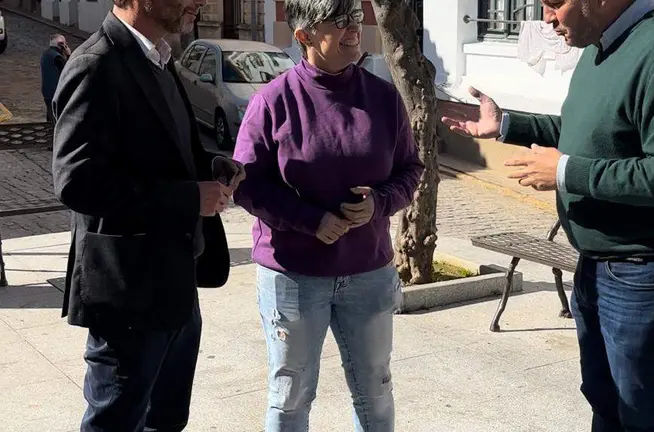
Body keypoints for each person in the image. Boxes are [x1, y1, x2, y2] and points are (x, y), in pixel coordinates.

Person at [442, 0, 654, 430]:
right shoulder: (602, 45)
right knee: (607, 406)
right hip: (605, 266)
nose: (547, 19)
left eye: (555, 3)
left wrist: (563, 171)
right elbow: (588, 133)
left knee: (648, 418)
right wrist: (506, 125)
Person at [51, 0, 244, 430]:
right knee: (116, 423)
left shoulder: (158, 57)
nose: (201, 1)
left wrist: (209, 164)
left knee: (167, 420)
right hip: (127, 298)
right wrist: (187, 199)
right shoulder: (96, 64)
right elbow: (76, 181)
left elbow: (164, 152)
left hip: (177, 287)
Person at [232, 0, 424, 430]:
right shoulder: (272, 102)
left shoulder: (383, 98)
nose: (352, 29)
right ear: (303, 36)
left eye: (354, 18)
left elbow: (411, 170)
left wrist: (380, 202)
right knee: (291, 398)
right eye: (337, 21)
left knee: (376, 392)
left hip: (369, 273)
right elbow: (245, 184)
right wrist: (310, 220)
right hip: (293, 278)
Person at [40, 34, 70, 123]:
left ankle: (49, 132)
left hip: (46, 89)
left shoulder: (45, 54)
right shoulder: (57, 57)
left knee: (50, 112)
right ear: (61, 45)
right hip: (56, 90)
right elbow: (69, 70)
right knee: (57, 116)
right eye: (65, 44)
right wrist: (68, 55)